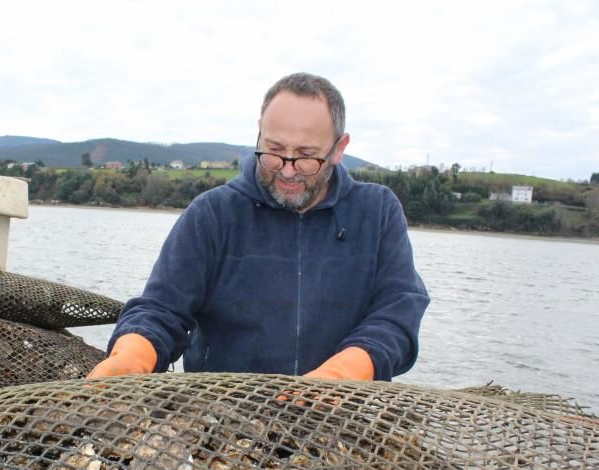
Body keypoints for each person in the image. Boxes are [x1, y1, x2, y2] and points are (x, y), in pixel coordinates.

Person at [88, 73, 429, 382]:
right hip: (224, 418)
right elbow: (161, 310)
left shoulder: (378, 211)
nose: (288, 170)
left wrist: (344, 372)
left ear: (340, 148)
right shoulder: (213, 213)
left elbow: (397, 312)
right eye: (275, 150)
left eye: (307, 155)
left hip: (343, 414)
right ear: (259, 135)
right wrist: (133, 356)